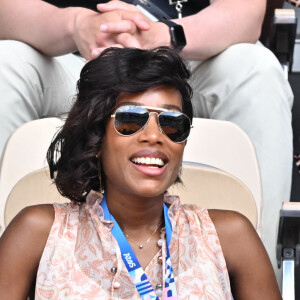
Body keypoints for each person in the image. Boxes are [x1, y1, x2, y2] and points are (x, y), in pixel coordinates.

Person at [0, 0, 293, 279]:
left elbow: (246, 14)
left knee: (259, 70)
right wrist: (76, 25)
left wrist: (163, 35)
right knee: (6, 62)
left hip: (189, 56)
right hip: (71, 55)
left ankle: (261, 269)